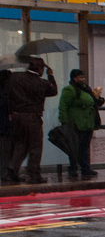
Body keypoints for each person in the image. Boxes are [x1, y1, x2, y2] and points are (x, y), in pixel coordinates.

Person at [4, 57, 57, 185]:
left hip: (16, 116)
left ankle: (12, 171)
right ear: (39, 69)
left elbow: (7, 93)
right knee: (35, 146)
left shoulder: (14, 77)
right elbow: (53, 91)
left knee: (20, 144)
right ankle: (34, 175)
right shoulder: (41, 82)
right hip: (32, 117)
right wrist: (51, 76)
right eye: (43, 69)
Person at [58, 69, 103, 178]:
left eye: (83, 77)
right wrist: (64, 121)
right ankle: (73, 168)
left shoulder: (86, 89)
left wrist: (98, 98)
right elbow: (63, 106)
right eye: (80, 77)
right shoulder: (70, 90)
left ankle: (85, 167)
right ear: (74, 78)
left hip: (87, 123)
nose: (82, 79)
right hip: (76, 123)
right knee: (75, 147)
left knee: (85, 147)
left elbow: (95, 103)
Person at [0, 70, 13, 184]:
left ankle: (5, 172)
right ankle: (4, 173)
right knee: (5, 151)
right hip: (4, 126)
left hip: (4, 126)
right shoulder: (5, 92)